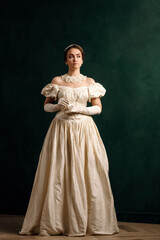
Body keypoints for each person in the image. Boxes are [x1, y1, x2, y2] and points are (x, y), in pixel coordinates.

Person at [19, 44, 119, 236]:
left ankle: (85, 221)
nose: (74, 59)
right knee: (58, 171)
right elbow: (46, 106)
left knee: (87, 171)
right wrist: (57, 107)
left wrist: (82, 109)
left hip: (84, 130)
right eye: (71, 56)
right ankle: (58, 222)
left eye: (78, 56)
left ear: (82, 59)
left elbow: (98, 108)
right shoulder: (57, 81)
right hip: (61, 129)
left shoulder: (90, 82)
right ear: (66, 60)